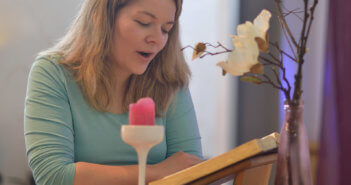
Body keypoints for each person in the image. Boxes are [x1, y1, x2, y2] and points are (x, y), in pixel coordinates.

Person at [24, 0, 203, 184]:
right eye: (143, 22)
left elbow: (189, 171)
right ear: (101, 17)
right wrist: (157, 171)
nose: (157, 40)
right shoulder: (53, 72)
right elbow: (53, 177)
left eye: (166, 29)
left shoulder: (169, 80)